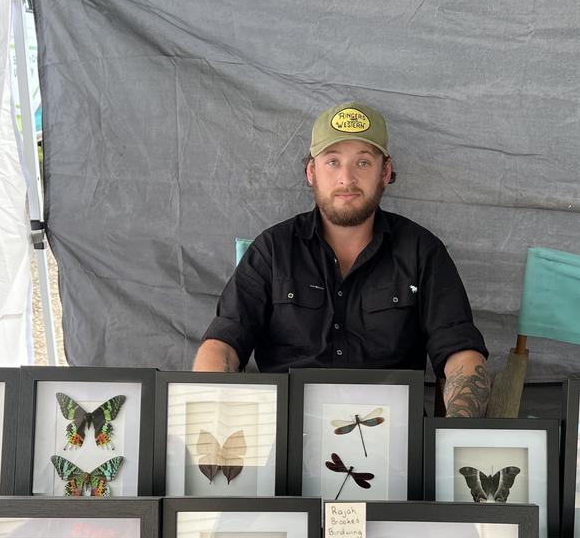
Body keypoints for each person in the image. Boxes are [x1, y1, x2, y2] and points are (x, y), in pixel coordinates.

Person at [192, 101, 490, 417]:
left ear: (385, 172)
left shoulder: (422, 251)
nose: (346, 179)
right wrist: (210, 421)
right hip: (288, 438)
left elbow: (461, 354)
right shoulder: (272, 250)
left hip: (393, 440)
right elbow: (222, 344)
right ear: (311, 171)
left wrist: (454, 438)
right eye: (332, 162)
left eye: (363, 162)